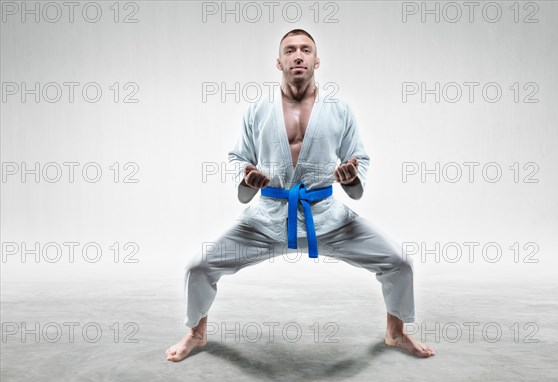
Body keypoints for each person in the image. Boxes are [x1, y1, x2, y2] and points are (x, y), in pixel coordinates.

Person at [166, 29, 435, 361]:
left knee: (399, 262)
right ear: (278, 62)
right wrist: (248, 177)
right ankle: (197, 333)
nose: (298, 55)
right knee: (198, 267)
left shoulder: (338, 109)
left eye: (305, 50)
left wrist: (351, 177)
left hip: (325, 217)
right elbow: (238, 157)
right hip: (266, 218)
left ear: (316, 61)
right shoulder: (257, 110)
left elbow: (359, 158)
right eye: (290, 50)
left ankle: (396, 332)